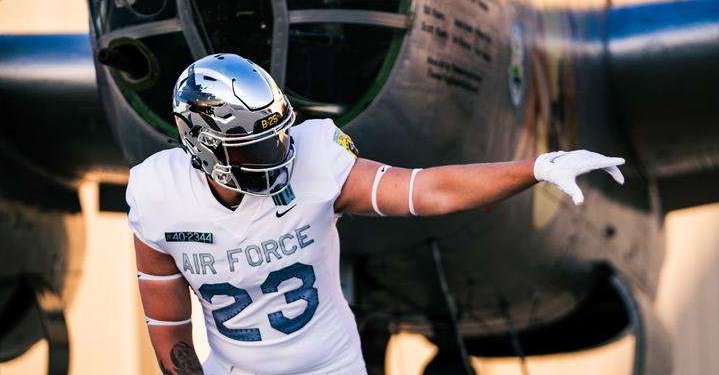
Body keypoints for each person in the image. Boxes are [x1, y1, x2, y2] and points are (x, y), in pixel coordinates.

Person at [126, 53, 624, 375]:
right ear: (203, 147)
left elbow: (427, 190)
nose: (277, 156)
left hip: (328, 368)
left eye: (277, 138)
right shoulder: (158, 195)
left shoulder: (315, 158)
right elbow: (169, 331)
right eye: (254, 149)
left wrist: (536, 166)